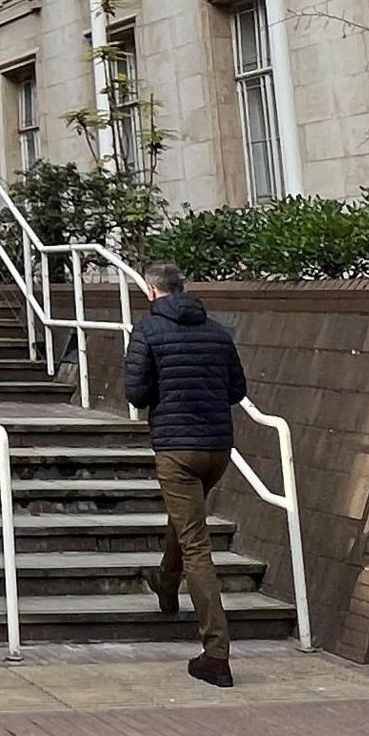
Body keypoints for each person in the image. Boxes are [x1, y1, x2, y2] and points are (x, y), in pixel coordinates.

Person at [121, 263, 248, 687]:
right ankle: (165, 580)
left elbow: (136, 393)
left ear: (152, 290)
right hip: (217, 448)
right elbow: (236, 390)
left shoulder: (148, 330)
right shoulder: (216, 330)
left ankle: (216, 654)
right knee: (187, 521)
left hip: (176, 449)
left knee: (196, 543)